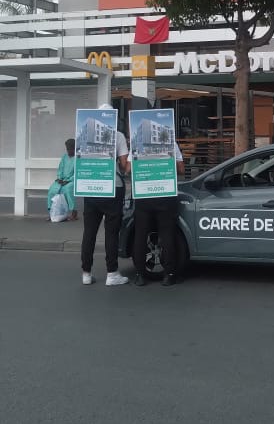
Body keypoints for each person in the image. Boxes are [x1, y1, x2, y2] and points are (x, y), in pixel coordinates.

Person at [80, 103, 129, 287]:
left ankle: (86, 273)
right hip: (112, 188)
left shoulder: (85, 135)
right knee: (111, 232)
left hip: (91, 187)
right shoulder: (118, 136)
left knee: (89, 232)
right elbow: (124, 165)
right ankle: (112, 273)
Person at [129, 142, 185, 287]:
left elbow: (128, 168)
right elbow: (181, 169)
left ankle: (140, 275)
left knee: (140, 235)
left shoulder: (138, 144)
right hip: (165, 194)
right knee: (167, 235)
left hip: (143, 194)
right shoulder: (171, 143)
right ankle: (169, 275)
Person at [47, 138, 77, 220]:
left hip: (72, 180)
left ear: (74, 148)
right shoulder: (64, 157)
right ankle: (51, 212)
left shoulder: (78, 158)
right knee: (52, 189)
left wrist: (68, 181)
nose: (69, 151)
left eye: (70, 149)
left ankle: (73, 212)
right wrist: (59, 178)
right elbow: (60, 169)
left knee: (67, 189)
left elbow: (78, 173)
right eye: (67, 149)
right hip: (62, 180)